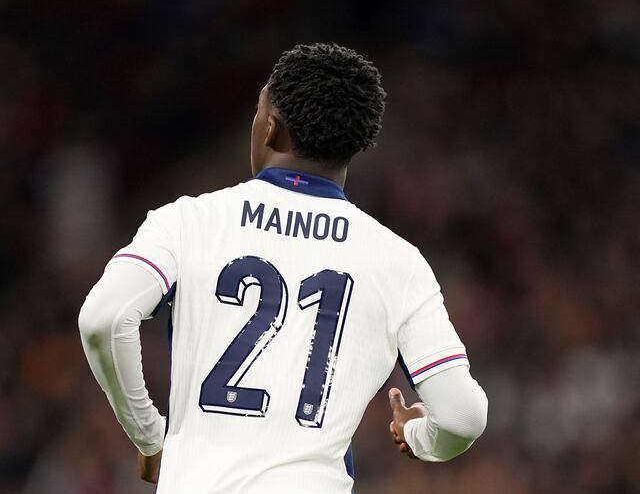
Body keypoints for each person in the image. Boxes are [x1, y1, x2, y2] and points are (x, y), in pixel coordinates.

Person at [78, 43, 488, 493]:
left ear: (269, 127)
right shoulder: (399, 262)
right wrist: (419, 436)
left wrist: (150, 436)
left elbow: (104, 317)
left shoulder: (187, 221)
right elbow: (463, 415)